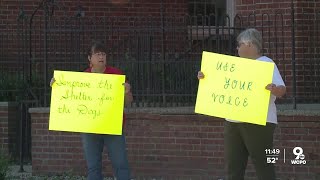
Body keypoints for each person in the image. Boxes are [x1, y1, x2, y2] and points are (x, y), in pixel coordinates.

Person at [197, 28, 286, 180]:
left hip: (259, 121)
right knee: (233, 165)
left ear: (250, 44)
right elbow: (220, 85)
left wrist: (274, 89)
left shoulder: (265, 63)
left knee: (263, 164)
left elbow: (282, 90)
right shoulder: (233, 65)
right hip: (232, 121)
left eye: (239, 44)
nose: (237, 48)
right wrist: (205, 77)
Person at [50, 40, 133, 180]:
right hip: (90, 129)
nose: (101, 57)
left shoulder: (116, 75)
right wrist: (57, 87)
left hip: (113, 127)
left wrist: (127, 92)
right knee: (93, 167)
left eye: (103, 54)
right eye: (97, 54)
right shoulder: (82, 79)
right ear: (90, 58)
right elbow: (71, 100)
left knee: (121, 165)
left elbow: (128, 103)